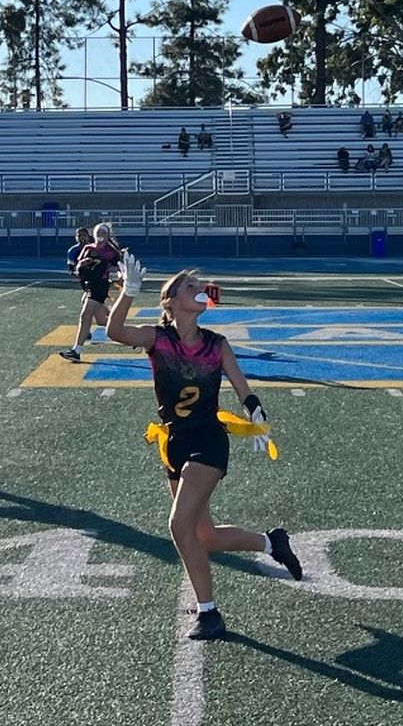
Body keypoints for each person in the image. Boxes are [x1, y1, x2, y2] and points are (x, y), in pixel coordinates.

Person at [106, 254, 303, 639]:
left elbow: (243, 389)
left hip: (208, 442)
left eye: (200, 287)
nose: (201, 291)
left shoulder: (217, 345)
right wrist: (128, 292)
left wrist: (258, 417)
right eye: (191, 287)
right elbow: (115, 331)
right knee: (205, 536)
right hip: (174, 444)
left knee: (179, 525)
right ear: (173, 301)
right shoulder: (158, 339)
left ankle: (209, 613)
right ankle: (271, 542)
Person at [60, 223, 124, 362]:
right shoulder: (88, 248)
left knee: (85, 314)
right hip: (89, 285)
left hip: (100, 286)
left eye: (103, 233)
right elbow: (78, 268)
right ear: (94, 235)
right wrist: (82, 264)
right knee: (102, 320)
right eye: (98, 233)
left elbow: (119, 268)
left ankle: (76, 350)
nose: (100, 236)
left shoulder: (111, 251)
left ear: (107, 236)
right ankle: (132, 336)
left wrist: (120, 277)